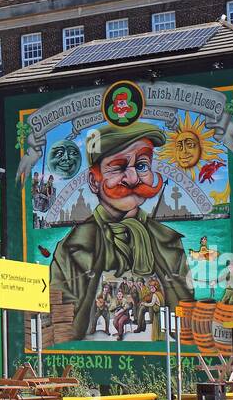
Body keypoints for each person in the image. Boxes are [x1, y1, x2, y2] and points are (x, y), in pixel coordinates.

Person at [50, 120, 195, 341]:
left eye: (142, 165)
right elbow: (60, 327)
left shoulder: (169, 242)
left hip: (162, 359)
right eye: (118, 167)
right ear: (93, 181)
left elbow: (188, 323)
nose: (134, 178)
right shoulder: (70, 249)